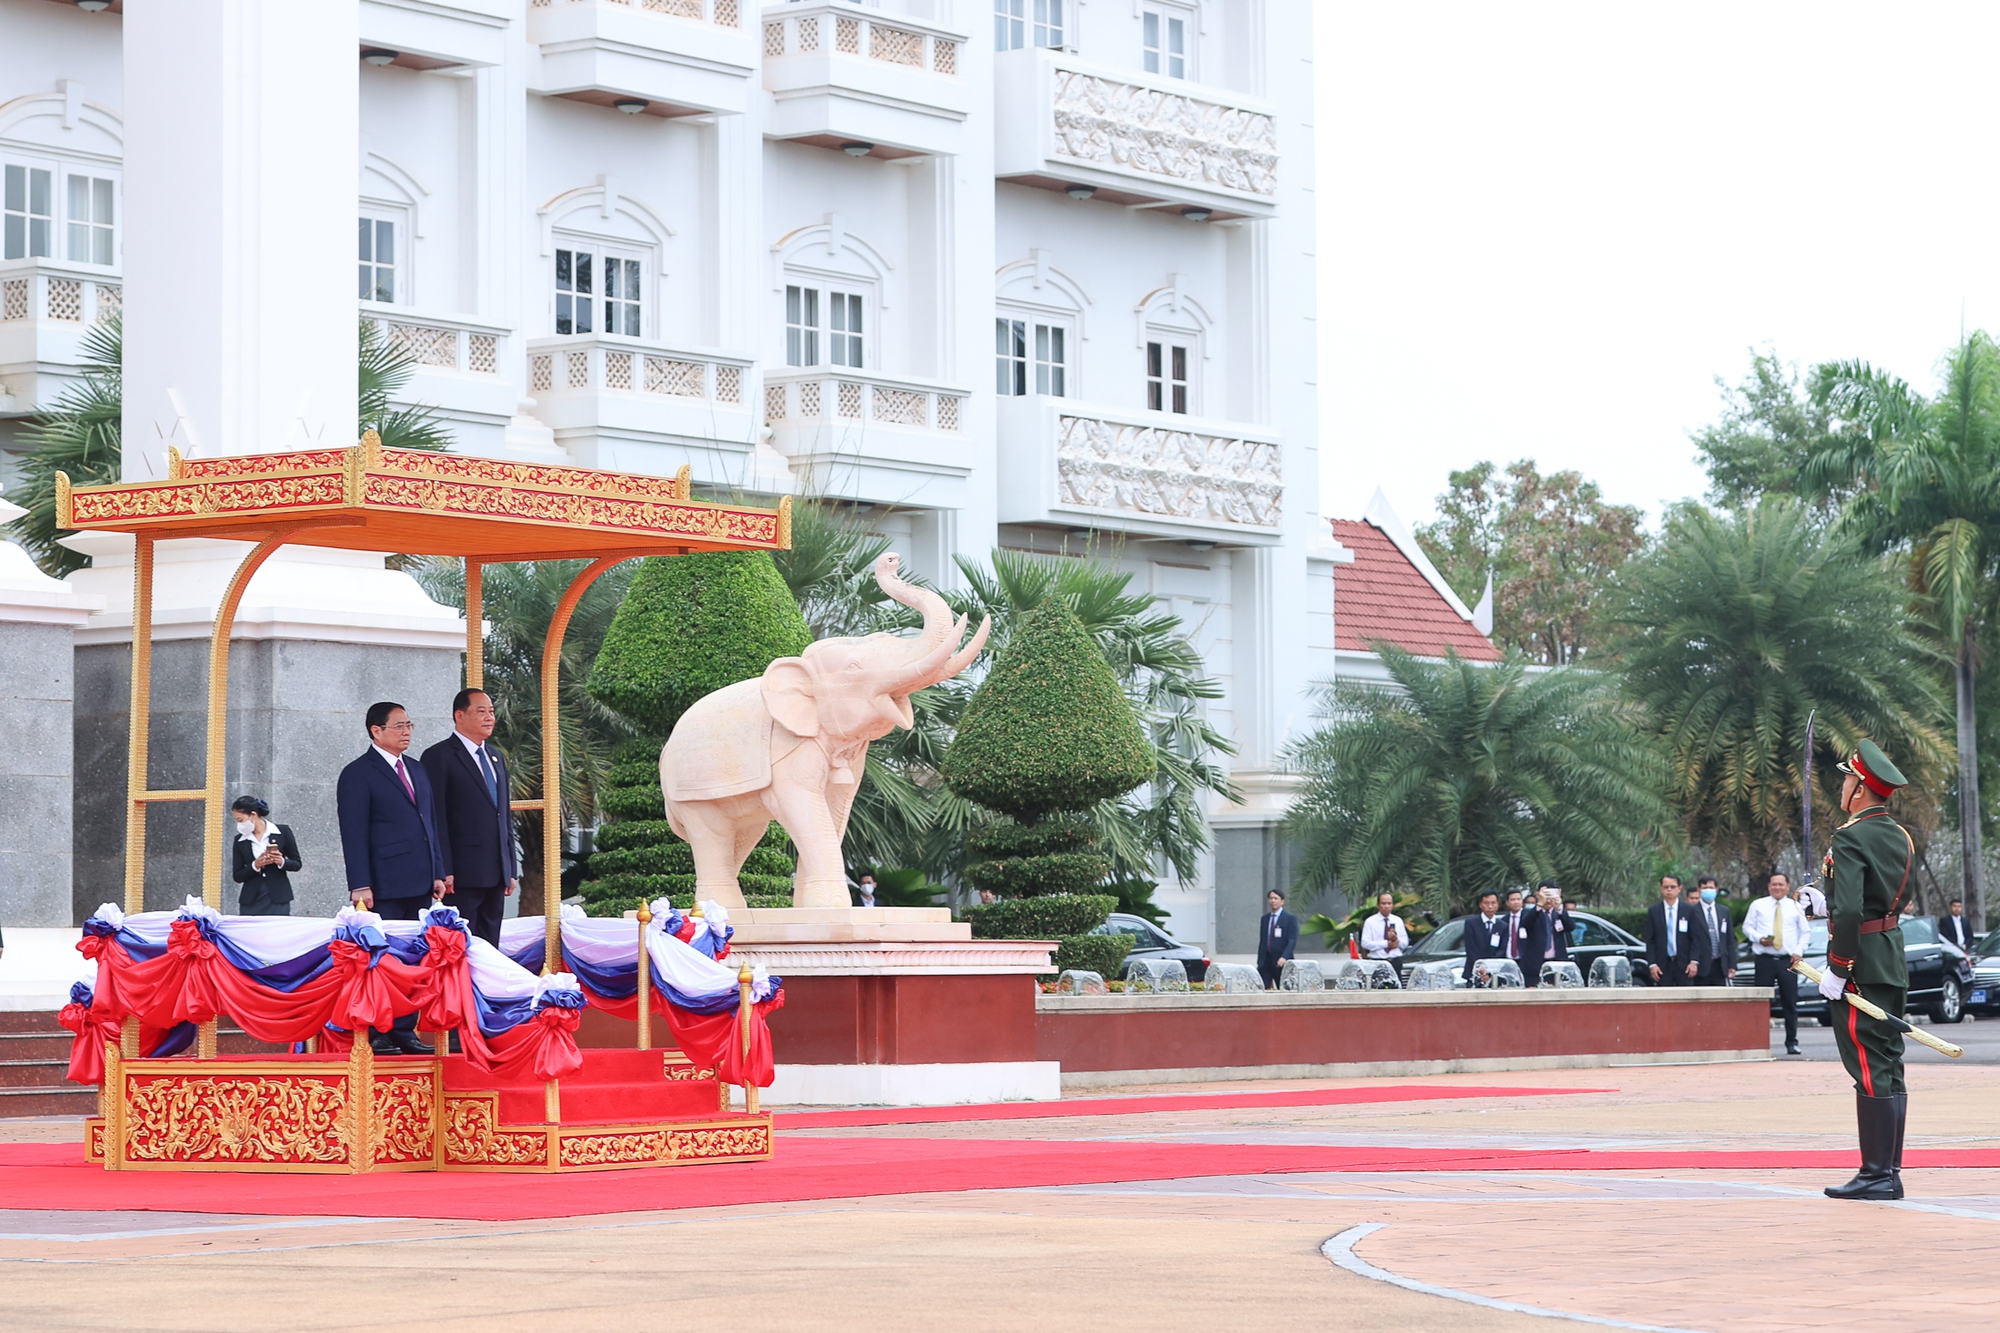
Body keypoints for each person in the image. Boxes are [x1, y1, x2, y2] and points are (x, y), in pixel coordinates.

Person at [1818, 740, 1916, 1201]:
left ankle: (1876, 1174)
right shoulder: (1900, 835)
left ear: (1859, 787)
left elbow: (1854, 911)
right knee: (1889, 1062)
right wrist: (1826, 904)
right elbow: (1889, 900)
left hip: (1860, 963)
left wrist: (1838, 967)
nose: (1842, 785)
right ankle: (1889, 1170)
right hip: (1891, 957)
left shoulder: (1850, 835)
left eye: (1845, 778)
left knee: (1868, 1064)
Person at [336, 701, 446, 1056]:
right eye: (398, 726)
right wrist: (360, 883)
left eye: (409, 725)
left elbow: (430, 824)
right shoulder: (358, 773)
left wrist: (437, 871)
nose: (406, 731)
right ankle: (376, 1029)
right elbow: (353, 833)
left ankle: (403, 1028)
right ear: (376, 731)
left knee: (412, 957)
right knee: (381, 959)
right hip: (382, 883)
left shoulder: (416, 769)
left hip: (419, 881)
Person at [419, 688, 517, 948]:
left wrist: (510, 867)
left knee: (490, 943)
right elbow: (435, 816)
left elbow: (503, 815)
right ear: (459, 716)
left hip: (496, 872)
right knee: (461, 944)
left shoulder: (495, 757)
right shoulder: (439, 756)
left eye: (491, 712)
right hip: (461, 875)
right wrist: (444, 869)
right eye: (481, 711)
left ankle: (486, 989)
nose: (489, 717)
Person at [1745, 870, 1808, 1054]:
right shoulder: (1758, 905)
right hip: (1764, 959)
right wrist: (1759, 938)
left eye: (1781, 884)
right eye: (1774, 884)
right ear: (1769, 886)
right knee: (1761, 1003)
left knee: (1790, 1002)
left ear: (1788, 887)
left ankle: (1792, 1042)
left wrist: (1798, 951)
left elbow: (1805, 932)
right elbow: (1748, 927)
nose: (1777, 887)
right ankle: (1758, 1042)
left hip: (1787, 961)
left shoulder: (1796, 906)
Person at [229, 795, 301, 916]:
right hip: (251, 898)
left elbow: (297, 863)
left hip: (278, 896)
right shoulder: (240, 840)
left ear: (253, 815)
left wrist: (281, 861)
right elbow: (237, 875)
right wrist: (255, 865)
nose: (239, 824)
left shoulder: (282, 832)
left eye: (241, 820)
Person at [1643, 874, 1708, 986]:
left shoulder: (1689, 910)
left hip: (1684, 964)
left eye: (1672, 887)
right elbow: (1650, 939)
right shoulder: (1654, 911)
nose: (1669, 890)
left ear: (1679, 888)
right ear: (1661, 889)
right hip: (1662, 965)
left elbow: (1695, 938)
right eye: (1665, 887)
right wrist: (1652, 964)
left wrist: (1694, 961)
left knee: (1685, 999)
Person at [1522, 881, 1573, 985]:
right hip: (1535, 964)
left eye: (1551, 894)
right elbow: (1526, 924)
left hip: (1557, 962)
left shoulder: (1559, 913)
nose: (1548, 899)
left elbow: (1570, 927)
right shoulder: (1532, 912)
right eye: (1546, 894)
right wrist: (1540, 904)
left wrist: (1559, 908)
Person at [1693, 875, 1737, 986]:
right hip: (1700, 966)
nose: (1708, 890)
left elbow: (1729, 939)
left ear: (1716, 890)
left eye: (1711, 888)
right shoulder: (1692, 911)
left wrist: (1732, 964)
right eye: (1705, 888)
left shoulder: (1724, 911)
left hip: (1720, 965)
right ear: (1699, 890)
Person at [1256, 889, 1298, 989]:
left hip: (1281, 961)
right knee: (1263, 988)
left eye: (1276, 898)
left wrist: (1284, 957)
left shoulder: (1289, 918)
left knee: (1283, 988)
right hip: (1266, 961)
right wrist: (1260, 960)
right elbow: (1263, 941)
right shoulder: (1265, 919)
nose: (1273, 901)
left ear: (1282, 901)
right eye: (1271, 898)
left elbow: (1292, 940)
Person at [1462, 889, 1504, 984]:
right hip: (1474, 971)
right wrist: (1480, 968)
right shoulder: (1471, 923)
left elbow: (1502, 949)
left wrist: (1490, 969)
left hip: (1495, 973)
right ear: (1480, 905)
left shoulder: (1503, 926)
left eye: (1493, 903)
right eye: (1486, 903)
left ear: (1498, 905)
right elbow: (1470, 948)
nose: (1490, 906)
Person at [1358, 891, 1412, 960]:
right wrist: (1386, 944)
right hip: (1377, 960)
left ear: (1392, 905)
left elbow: (1405, 943)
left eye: (1389, 903)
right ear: (1378, 905)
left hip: (1395, 959)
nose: (1386, 906)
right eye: (1383, 903)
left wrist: (1396, 939)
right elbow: (1365, 943)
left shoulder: (1398, 920)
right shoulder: (1370, 921)